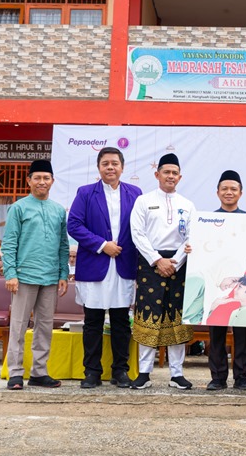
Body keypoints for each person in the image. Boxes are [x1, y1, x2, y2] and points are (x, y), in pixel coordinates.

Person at [67, 147, 142, 390]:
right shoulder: (86, 193)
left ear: (122, 167)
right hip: (95, 265)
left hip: (124, 265)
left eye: (114, 163)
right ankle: (91, 372)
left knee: (121, 321)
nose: (110, 167)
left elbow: (140, 229)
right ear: (98, 167)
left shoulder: (135, 194)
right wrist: (102, 245)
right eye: (105, 163)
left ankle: (120, 371)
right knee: (93, 321)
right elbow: (74, 225)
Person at [2, 159, 70, 391]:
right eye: (37, 178)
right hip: (23, 276)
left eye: (46, 178)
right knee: (18, 326)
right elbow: (9, 243)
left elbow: (63, 245)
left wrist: (63, 273)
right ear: (29, 181)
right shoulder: (18, 208)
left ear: (52, 181)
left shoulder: (59, 210)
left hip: (51, 277)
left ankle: (39, 372)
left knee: (44, 326)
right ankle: (16, 373)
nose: (42, 182)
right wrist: (10, 273)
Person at [129, 153, 195, 390]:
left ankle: (177, 374)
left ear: (180, 177)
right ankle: (144, 373)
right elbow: (137, 233)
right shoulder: (143, 201)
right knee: (149, 316)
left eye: (174, 173)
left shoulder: (187, 205)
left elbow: (190, 238)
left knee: (177, 319)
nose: (170, 176)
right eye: (166, 172)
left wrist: (175, 261)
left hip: (179, 266)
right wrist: (157, 260)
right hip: (150, 264)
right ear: (157, 174)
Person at [204, 170, 246, 391]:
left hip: (243, 286)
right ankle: (217, 378)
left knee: (243, 331)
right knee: (216, 333)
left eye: (233, 189)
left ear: (241, 193)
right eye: (224, 188)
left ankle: (242, 377)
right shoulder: (206, 221)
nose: (229, 192)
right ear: (217, 192)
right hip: (217, 286)